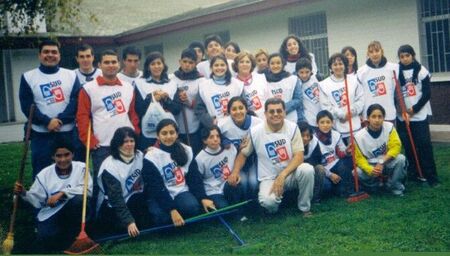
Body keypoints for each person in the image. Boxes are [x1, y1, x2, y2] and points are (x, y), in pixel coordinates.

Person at [230, 98, 315, 216]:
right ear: (265, 114)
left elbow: (299, 156)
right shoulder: (255, 132)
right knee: (268, 202)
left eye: (279, 111)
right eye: (271, 111)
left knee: (307, 170)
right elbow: (243, 154)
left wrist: (283, 175)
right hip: (268, 177)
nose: (275, 114)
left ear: (285, 112)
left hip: (290, 174)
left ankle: (304, 208)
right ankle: (275, 208)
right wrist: (235, 172)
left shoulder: (293, 128)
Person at [14, 138, 92, 252]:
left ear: (73, 154)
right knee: (46, 238)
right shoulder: (44, 175)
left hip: (72, 210)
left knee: (79, 200)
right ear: (53, 157)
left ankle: (76, 236)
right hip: (51, 213)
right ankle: (63, 238)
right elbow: (36, 201)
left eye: (67, 155)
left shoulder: (81, 168)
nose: (63, 159)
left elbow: (88, 190)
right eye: (58, 156)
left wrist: (62, 193)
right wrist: (23, 192)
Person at [76, 49, 140, 187]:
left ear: (119, 64)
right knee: (104, 182)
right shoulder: (88, 89)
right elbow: (82, 118)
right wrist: (90, 141)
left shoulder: (128, 87)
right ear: (99, 65)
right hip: (102, 144)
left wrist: (136, 131)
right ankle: (103, 209)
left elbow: (132, 113)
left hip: (126, 142)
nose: (110, 65)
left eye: (113, 62)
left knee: (128, 180)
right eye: (106, 62)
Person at [19, 39, 80, 178]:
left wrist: (59, 120)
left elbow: (76, 101)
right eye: (46, 52)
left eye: (54, 52)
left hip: (67, 132)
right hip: (41, 134)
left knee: (70, 170)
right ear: (39, 55)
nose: (50, 55)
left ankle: (68, 197)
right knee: (42, 171)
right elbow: (27, 105)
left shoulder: (71, 75)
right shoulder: (28, 77)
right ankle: (41, 199)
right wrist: (47, 122)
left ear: (59, 55)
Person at [142, 119, 216, 226]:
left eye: (172, 133)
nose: (168, 136)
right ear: (157, 136)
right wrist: (171, 209)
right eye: (164, 133)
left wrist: (202, 197)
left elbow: (194, 177)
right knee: (161, 218)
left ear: (177, 134)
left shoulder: (186, 150)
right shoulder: (151, 157)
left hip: (180, 191)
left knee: (192, 207)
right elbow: (156, 188)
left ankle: (181, 216)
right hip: (160, 194)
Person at [396, 44, 439, 186]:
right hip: (404, 116)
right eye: (402, 56)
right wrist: (402, 110)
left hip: (419, 114)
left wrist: (414, 109)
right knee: (409, 146)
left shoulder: (421, 70)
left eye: (407, 55)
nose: (405, 59)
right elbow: (395, 94)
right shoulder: (396, 71)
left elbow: (427, 94)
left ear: (412, 55)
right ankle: (414, 174)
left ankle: (431, 175)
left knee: (424, 145)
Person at [96, 127, 149, 237]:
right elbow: (116, 199)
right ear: (117, 144)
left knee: (148, 222)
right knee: (119, 229)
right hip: (113, 205)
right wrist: (129, 221)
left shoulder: (139, 155)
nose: (129, 144)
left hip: (134, 198)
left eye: (132, 141)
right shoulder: (109, 166)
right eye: (125, 142)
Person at [354, 104, 407, 196]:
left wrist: (382, 161)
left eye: (380, 116)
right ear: (368, 118)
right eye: (373, 116)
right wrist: (370, 169)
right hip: (371, 165)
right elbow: (359, 159)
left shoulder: (389, 127)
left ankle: (393, 186)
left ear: (384, 118)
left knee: (401, 159)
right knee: (357, 172)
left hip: (387, 161)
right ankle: (374, 186)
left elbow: (396, 146)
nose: (377, 120)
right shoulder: (359, 136)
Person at [218, 96, 262, 199]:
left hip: (253, 161)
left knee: (253, 182)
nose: (238, 112)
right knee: (243, 183)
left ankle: (255, 204)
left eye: (241, 108)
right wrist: (225, 142)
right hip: (233, 163)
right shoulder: (222, 125)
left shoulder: (258, 123)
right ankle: (245, 205)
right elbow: (215, 141)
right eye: (234, 109)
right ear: (228, 112)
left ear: (246, 109)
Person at [135, 52, 180, 150]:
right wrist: (152, 97)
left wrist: (166, 98)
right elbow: (138, 109)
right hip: (149, 131)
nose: (156, 66)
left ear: (163, 66)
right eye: (153, 64)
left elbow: (177, 109)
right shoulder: (140, 83)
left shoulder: (172, 84)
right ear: (148, 67)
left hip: (169, 131)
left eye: (159, 63)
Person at [319, 53, 364, 141]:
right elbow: (326, 106)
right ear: (330, 67)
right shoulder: (323, 85)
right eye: (335, 64)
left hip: (355, 127)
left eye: (340, 64)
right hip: (337, 129)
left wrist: (350, 113)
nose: (338, 67)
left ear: (345, 65)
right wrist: (342, 115)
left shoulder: (354, 80)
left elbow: (361, 100)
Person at [195, 126, 241, 209]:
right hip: (212, 190)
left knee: (238, 185)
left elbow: (239, 157)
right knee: (224, 207)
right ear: (204, 140)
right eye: (211, 137)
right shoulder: (200, 158)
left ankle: (239, 212)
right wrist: (203, 198)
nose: (215, 139)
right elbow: (198, 180)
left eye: (218, 136)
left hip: (228, 183)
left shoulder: (229, 148)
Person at [195, 54, 244, 128]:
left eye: (222, 65)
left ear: (227, 67)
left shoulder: (237, 84)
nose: (219, 67)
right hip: (215, 129)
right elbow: (199, 109)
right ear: (211, 68)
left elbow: (244, 105)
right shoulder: (203, 86)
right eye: (216, 65)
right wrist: (210, 121)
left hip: (237, 125)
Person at [172, 48, 205, 155]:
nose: (187, 65)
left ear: (196, 63)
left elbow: (204, 105)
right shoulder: (171, 78)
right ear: (179, 62)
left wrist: (189, 102)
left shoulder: (201, 80)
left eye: (191, 62)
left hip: (194, 128)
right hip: (175, 128)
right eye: (185, 62)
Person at [73, 44, 102, 162]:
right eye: (82, 56)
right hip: (80, 123)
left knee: (99, 159)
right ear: (77, 59)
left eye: (88, 56)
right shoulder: (71, 75)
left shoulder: (101, 73)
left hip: (99, 122)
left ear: (93, 57)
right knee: (80, 161)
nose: (85, 59)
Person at [314, 110, 353, 197]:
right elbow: (316, 164)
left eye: (328, 122)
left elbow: (341, 153)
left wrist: (347, 151)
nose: (325, 125)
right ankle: (338, 188)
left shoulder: (336, 135)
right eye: (322, 122)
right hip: (323, 170)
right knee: (327, 186)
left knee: (348, 161)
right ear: (317, 123)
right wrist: (330, 175)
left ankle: (349, 190)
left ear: (332, 123)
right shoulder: (313, 139)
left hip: (337, 165)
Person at [357, 41, 398, 122]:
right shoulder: (361, 72)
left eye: (377, 51)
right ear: (368, 54)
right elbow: (359, 96)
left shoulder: (394, 68)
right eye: (371, 52)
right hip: (369, 116)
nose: (374, 54)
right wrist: (360, 113)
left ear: (382, 52)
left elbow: (397, 91)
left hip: (389, 114)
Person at [264, 53, 304, 123]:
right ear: (268, 66)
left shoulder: (293, 79)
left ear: (283, 64)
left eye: (278, 63)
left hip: (291, 119)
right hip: (272, 120)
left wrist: (282, 109)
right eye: (272, 63)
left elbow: (298, 99)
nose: (275, 66)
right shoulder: (263, 81)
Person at [233, 51, 268, 118]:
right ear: (236, 65)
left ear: (252, 64)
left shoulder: (261, 77)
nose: (245, 64)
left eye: (247, 62)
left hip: (265, 117)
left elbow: (268, 98)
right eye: (241, 62)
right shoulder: (233, 83)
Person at [298, 122, 326, 203]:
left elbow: (318, 159)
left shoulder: (314, 142)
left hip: (311, 170)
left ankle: (316, 198)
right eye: (302, 136)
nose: (306, 138)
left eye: (308, 136)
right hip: (297, 172)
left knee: (320, 169)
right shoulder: (291, 143)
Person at [296, 57, 321, 129]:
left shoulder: (315, 78)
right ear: (297, 72)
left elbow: (312, 56)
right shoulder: (297, 84)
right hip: (310, 120)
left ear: (311, 71)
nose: (304, 75)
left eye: (307, 72)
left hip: (322, 116)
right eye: (301, 72)